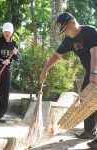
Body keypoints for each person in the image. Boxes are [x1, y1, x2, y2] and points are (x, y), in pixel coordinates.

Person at [40, 12, 97, 148]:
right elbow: (56, 55)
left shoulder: (90, 31)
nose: (65, 32)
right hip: (90, 71)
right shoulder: (69, 40)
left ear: (73, 22)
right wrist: (45, 69)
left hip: (95, 68)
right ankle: (89, 131)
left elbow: (95, 52)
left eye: (66, 28)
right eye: (63, 30)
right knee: (85, 99)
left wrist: (94, 72)